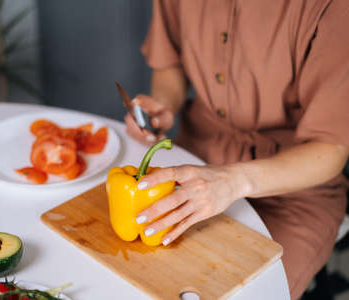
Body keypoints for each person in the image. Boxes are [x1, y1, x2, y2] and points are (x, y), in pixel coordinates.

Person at [124, 1, 349, 299]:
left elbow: (331, 147)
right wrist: (163, 104)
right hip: (193, 160)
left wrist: (231, 181)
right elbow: (170, 66)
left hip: (293, 192)